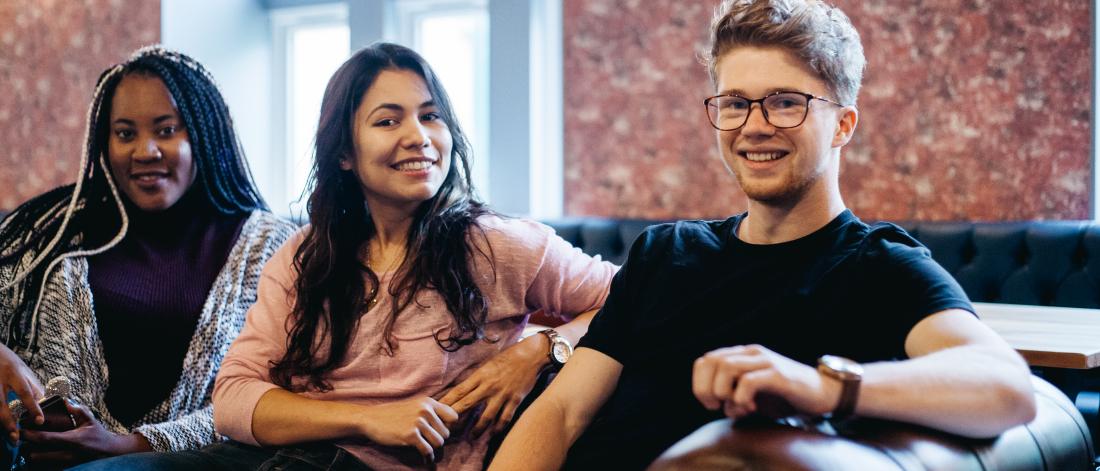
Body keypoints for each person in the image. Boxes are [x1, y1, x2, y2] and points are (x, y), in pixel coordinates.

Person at [489, 1, 1037, 469]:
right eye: (735, 103)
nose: (754, 125)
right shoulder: (665, 252)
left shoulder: (879, 266)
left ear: (843, 125)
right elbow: (563, 414)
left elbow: (1006, 388)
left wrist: (822, 388)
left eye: (785, 102)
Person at [81, 42, 616, 470]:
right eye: (388, 121)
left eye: (431, 116)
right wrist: (367, 420)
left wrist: (543, 349)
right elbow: (235, 398)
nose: (419, 137)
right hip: (267, 458)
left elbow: (635, 296)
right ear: (343, 153)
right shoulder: (304, 257)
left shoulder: (499, 243)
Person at [0, 46, 296, 469]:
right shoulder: (54, 231)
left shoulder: (273, 248)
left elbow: (280, 396)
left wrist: (129, 446)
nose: (145, 151)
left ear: (204, 135)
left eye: (166, 130)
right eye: (125, 134)